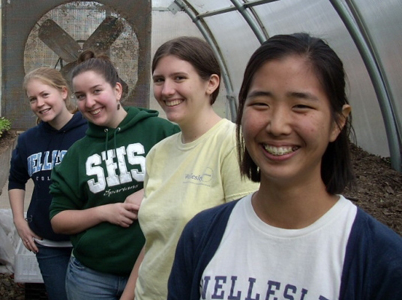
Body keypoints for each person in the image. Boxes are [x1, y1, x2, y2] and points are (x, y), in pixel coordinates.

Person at [168, 33, 402, 300]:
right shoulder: (202, 235)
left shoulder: (380, 261)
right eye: (260, 104)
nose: (277, 126)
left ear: (338, 122)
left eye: (300, 106)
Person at [121, 36, 259, 300]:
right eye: (159, 80)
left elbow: (248, 244)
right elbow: (155, 242)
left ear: (211, 83)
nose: (166, 90)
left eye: (179, 78)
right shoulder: (158, 153)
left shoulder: (233, 144)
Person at [49, 50, 180, 300]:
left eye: (97, 91)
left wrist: (148, 191)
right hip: (91, 277)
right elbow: (58, 219)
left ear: (117, 90)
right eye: (80, 96)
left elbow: (192, 172)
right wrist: (103, 212)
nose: (89, 102)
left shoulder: (159, 132)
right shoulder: (77, 154)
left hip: (153, 271)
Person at [8, 67, 87, 300]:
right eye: (33, 99)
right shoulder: (28, 140)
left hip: (87, 240)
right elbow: (16, 180)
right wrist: (19, 221)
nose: (39, 103)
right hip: (48, 242)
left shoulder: (90, 131)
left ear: (63, 92)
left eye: (45, 95)